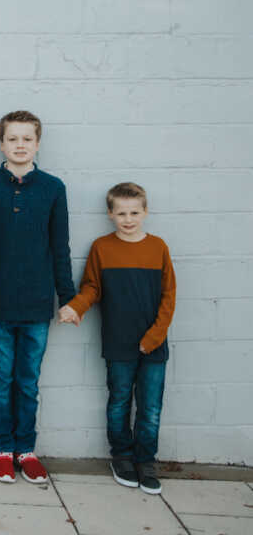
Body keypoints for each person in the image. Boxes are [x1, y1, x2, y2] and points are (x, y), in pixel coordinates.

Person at [0, 110, 75, 485]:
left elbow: (60, 247)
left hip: (36, 306)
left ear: (37, 143)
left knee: (27, 382)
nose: (19, 145)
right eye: (13, 139)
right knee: (0, 380)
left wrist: (68, 297)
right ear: (2, 144)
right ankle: (1, 449)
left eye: (27, 139)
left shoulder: (53, 188)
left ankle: (25, 449)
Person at [59, 183, 176, 495]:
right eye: (121, 213)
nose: (128, 219)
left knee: (150, 407)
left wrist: (153, 337)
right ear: (110, 214)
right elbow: (92, 287)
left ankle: (146, 460)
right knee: (119, 401)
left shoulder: (159, 248)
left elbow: (169, 297)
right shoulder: (101, 248)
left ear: (145, 212)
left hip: (153, 345)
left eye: (134, 212)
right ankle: (122, 457)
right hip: (117, 342)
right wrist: (75, 306)